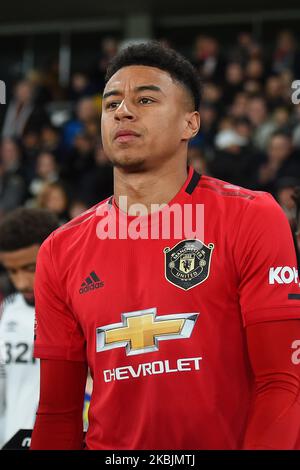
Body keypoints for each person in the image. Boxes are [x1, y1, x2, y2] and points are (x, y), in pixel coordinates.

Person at [31, 42, 300, 450]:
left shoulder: (253, 216)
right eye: (111, 104)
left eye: (145, 99)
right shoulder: (59, 250)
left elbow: (282, 383)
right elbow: (57, 413)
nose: (122, 111)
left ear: (190, 124)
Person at [0, 208, 59, 447]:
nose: (20, 282)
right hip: (12, 440)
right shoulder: (7, 312)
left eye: (30, 268)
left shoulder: (85, 310)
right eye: (12, 271)